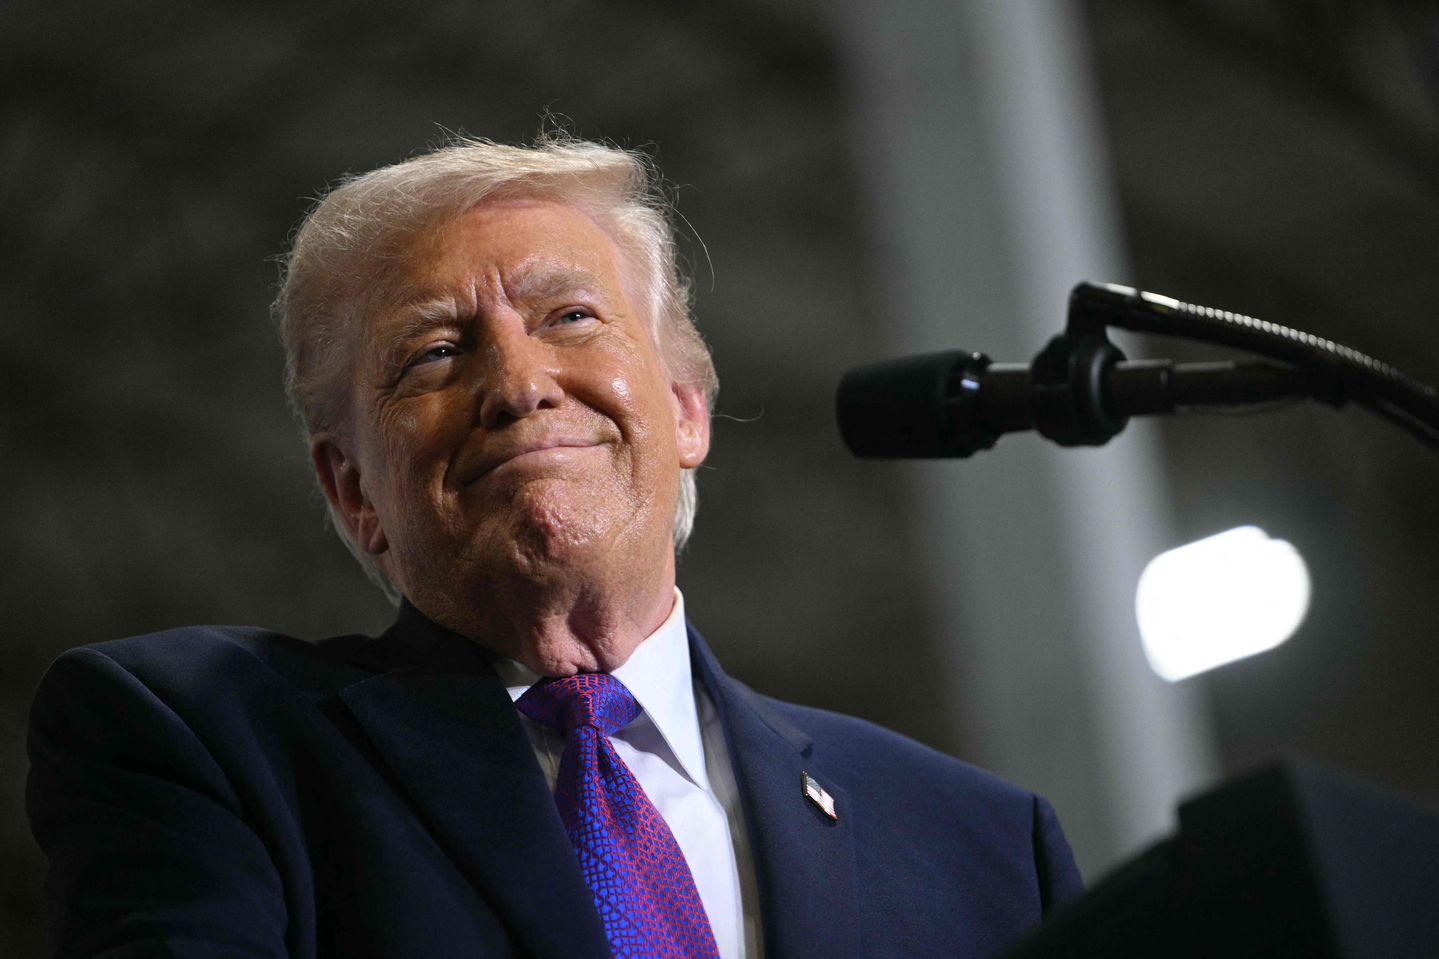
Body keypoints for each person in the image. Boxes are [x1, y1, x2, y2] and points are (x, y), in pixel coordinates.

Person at [26, 136, 1081, 959]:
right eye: (434, 351)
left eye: (571, 316)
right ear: (353, 490)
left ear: (685, 409)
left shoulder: (976, 842)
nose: (518, 383)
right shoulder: (205, 739)